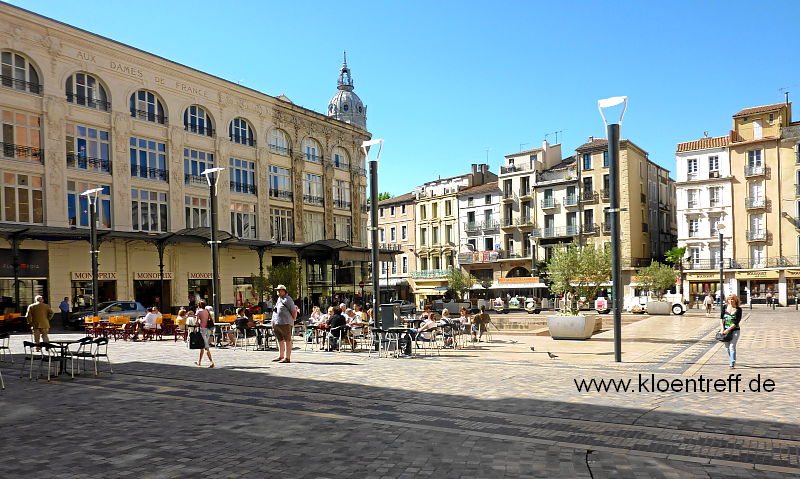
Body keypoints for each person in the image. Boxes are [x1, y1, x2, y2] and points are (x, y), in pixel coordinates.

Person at [271, 285, 297, 363]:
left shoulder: (288, 299)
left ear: (284, 291)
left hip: (285, 323)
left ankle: (287, 357)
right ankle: (280, 356)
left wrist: (293, 320)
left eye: (279, 290)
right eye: (277, 290)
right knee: (280, 339)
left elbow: (293, 310)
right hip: (277, 322)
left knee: (287, 340)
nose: (278, 291)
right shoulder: (279, 299)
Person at [721, 294, 742, 369]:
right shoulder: (725, 307)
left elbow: (736, 322)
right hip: (725, 330)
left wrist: (728, 329)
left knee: (732, 346)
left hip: (735, 330)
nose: (730, 301)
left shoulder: (738, 309)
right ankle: (732, 359)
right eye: (729, 299)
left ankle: (732, 364)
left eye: (732, 299)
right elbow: (721, 318)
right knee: (727, 347)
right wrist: (722, 328)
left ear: (736, 300)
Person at [194, 300, 214, 368]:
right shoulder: (207, 311)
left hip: (202, 329)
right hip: (208, 329)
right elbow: (209, 319)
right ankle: (199, 361)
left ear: (199, 305)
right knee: (202, 346)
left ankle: (211, 362)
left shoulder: (198, 311)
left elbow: (196, 322)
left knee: (205, 347)